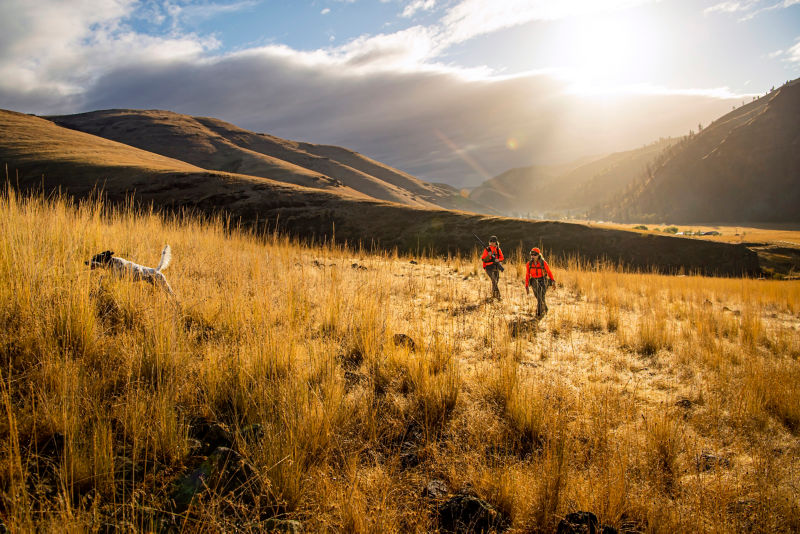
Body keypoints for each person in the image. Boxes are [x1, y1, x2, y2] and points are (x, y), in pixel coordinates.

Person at [525, 247, 555, 317]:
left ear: (538, 255)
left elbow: (549, 272)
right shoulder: (529, 264)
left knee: (540, 297)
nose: (533, 256)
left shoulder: (543, 263)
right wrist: (526, 285)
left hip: (543, 281)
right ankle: (546, 308)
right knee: (538, 297)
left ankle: (538, 313)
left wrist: (553, 281)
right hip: (534, 282)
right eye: (531, 254)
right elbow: (527, 275)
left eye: (534, 254)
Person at [481, 235, 504, 299]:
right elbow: (484, 260)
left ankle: (493, 296)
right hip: (488, 267)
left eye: (493, 241)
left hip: (496, 267)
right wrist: (488, 255)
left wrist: (498, 260)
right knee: (494, 280)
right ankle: (498, 297)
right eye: (491, 241)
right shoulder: (487, 249)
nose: (492, 243)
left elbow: (502, 258)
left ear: (496, 242)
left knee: (495, 282)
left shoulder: (498, 249)